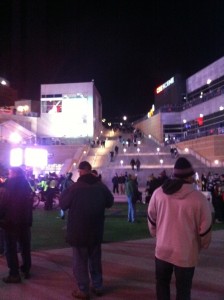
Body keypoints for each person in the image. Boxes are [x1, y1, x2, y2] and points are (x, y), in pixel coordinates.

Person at [148, 157, 212, 300]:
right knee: (183, 290)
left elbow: (151, 218)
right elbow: (205, 228)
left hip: (163, 249)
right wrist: (203, 244)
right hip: (186, 252)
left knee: (162, 286)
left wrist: (156, 234)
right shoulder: (198, 198)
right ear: (190, 177)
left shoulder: (159, 193)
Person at [60, 161, 114, 299]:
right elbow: (110, 202)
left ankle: (83, 289)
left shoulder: (75, 187)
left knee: (80, 262)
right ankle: (98, 285)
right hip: (96, 230)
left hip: (78, 231)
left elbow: (63, 204)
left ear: (80, 171)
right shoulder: (100, 186)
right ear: (90, 170)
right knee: (95, 260)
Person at [0, 167, 33, 283]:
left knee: (10, 248)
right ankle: (26, 269)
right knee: (25, 246)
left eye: (9, 173)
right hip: (25, 221)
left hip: (10, 221)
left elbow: (2, 203)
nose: (8, 175)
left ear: (13, 173)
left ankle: (14, 274)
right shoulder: (27, 185)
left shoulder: (7, 185)